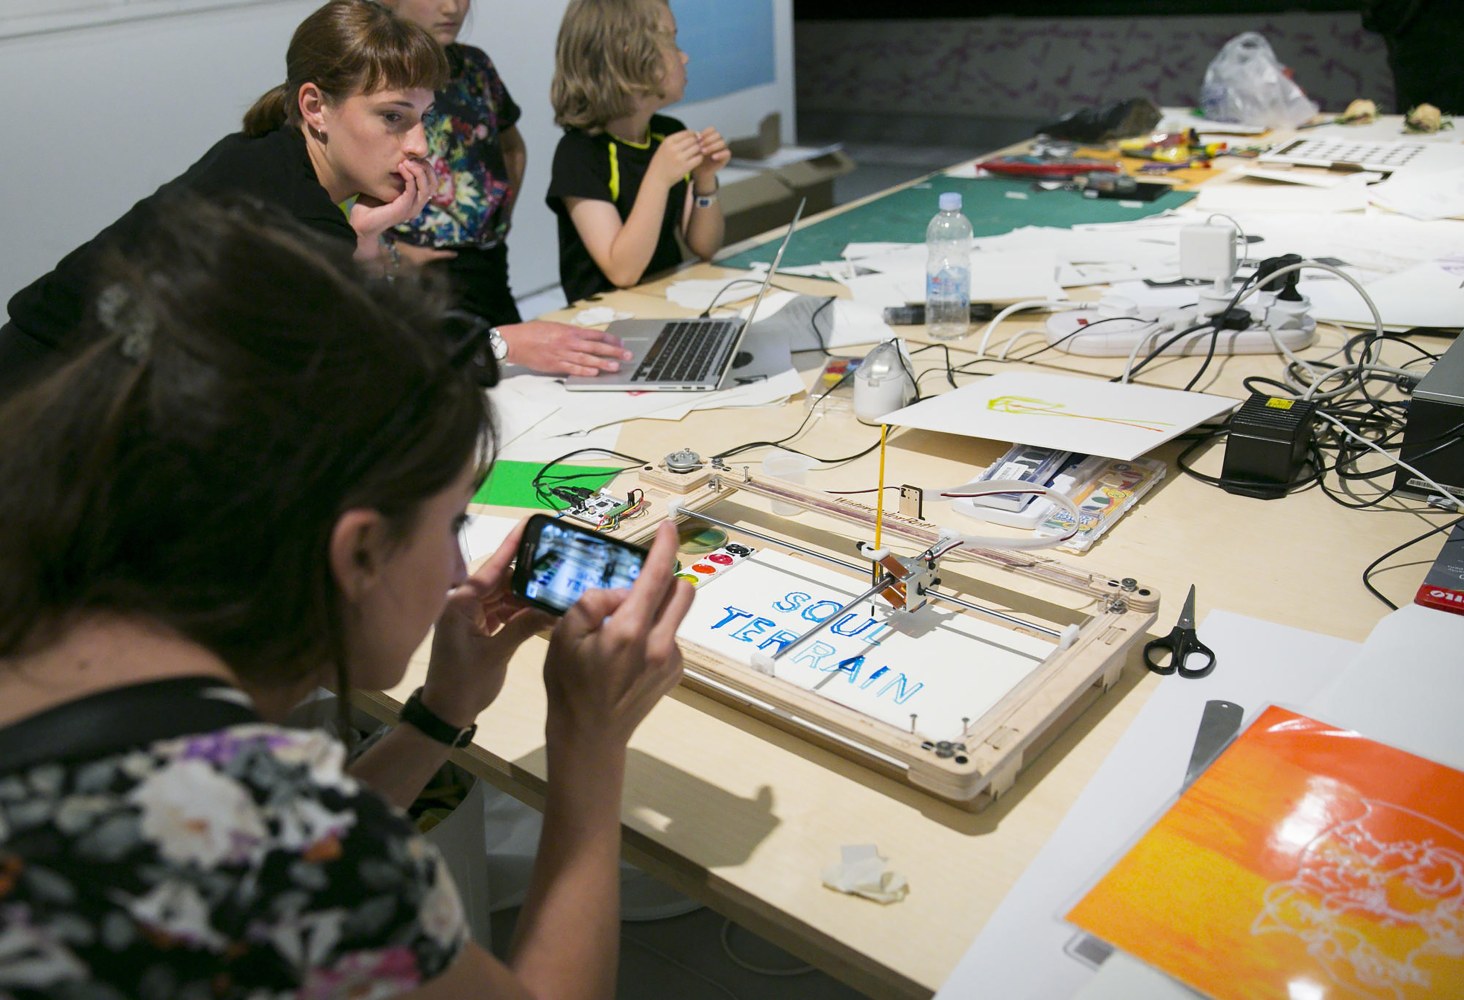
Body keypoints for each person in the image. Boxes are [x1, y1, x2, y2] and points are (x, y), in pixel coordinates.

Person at [0, 196, 693, 998]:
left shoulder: (73, 676)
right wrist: (588, 746)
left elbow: (263, 865)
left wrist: (440, 710)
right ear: (359, 548)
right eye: (451, 523)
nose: (449, 573)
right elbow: (286, 861)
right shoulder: (272, 845)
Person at [0, 0, 621, 399]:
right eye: (392, 118)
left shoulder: (266, 155)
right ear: (315, 106)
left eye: (423, 119)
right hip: (45, 404)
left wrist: (367, 235)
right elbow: (378, 362)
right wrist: (504, 343)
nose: (418, 145)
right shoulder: (291, 206)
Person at [383, 0, 634, 377]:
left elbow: (511, 145)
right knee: (451, 380)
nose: (452, 7)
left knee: (520, 373)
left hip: (488, 260)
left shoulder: (474, 67)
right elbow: (341, 175)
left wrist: (499, 213)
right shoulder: (377, 79)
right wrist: (390, 249)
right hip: (424, 271)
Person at [546, 0, 730, 306]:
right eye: (671, 42)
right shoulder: (578, 154)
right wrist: (658, 179)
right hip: (602, 323)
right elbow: (622, 271)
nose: (684, 57)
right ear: (629, 56)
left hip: (662, 302)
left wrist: (705, 181)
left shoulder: (668, 132)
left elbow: (706, 246)